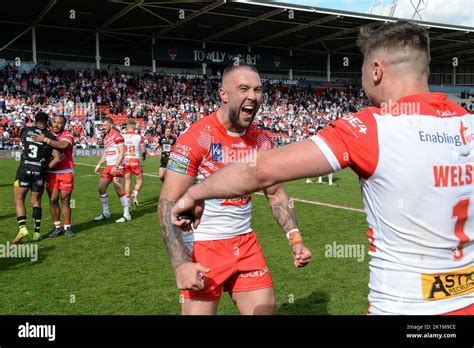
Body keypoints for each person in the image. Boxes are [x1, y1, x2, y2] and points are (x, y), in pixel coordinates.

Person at [172, 21, 474, 315]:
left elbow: (260, 172)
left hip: (404, 306)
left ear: (377, 71)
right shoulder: (468, 123)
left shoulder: (370, 128)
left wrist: (196, 192)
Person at [158, 63, 312, 315]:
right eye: (244, 89)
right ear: (223, 94)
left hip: (246, 243)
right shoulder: (196, 137)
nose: (253, 96)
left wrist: (295, 239)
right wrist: (180, 264)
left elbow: (275, 194)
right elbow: (167, 204)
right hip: (203, 248)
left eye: (258, 90)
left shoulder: (261, 141)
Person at [12, 112, 61, 244]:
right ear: (48, 122)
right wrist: (44, 168)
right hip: (39, 171)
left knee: (18, 199)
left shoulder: (25, 130)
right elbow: (57, 158)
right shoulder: (50, 136)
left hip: (24, 169)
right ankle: (37, 233)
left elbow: (24, 143)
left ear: (35, 120)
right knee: (36, 202)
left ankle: (22, 228)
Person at [32, 115, 76, 238]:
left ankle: (67, 227)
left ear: (64, 125)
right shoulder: (45, 133)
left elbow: (63, 145)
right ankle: (57, 227)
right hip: (50, 172)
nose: (56, 125)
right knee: (53, 200)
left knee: (66, 200)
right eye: (54, 122)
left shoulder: (68, 134)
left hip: (66, 171)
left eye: (60, 123)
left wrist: (45, 140)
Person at [94, 117, 131, 223]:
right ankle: (106, 212)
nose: (102, 127)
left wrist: (116, 165)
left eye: (105, 125)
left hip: (118, 165)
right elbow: (106, 152)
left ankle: (126, 213)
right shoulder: (106, 137)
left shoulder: (117, 135)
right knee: (101, 188)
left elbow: (122, 151)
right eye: (102, 125)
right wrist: (99, 164)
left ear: (111, 125)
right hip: (109, 165)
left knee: (117, 186)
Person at [122, 119, 146, 207]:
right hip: (135, 160)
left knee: (127, 181)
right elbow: (143, 150)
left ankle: (127, 200)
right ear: (134, 126)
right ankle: (134, 195)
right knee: (139, 181)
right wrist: (144, 157)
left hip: (126, 160)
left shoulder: (122, 136)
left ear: (127, 126)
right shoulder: (139, 136)